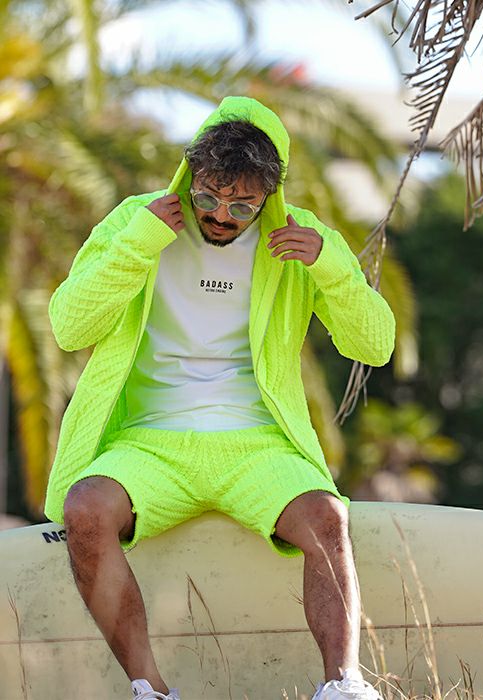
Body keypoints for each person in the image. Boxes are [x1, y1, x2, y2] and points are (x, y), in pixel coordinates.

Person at [44, 95, 395, 700]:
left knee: (327, 516)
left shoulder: (302, 239)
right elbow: (69, 327)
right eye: (208, 198)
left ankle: (344, 686)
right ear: (190, 176)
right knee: (86, 508)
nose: (221, 217)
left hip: (257, 445)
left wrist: (332, 269)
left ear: (269, 198)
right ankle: (151, 690)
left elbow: (376, 345)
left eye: (242, 206)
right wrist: (138, 245)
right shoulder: (137, 220)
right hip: (149, 445)